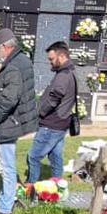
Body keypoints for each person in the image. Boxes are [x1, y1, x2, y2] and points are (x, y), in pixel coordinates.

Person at [0, 28, 37, 214]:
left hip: (8, 122)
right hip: (13, 120)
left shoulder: (13, 66)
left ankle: (5, 210)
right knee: (6, 164)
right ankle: (4, 199)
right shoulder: (20, 60)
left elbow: (9, 99)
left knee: (6, 166)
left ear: (5, 47)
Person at [26, 41, 76, 188]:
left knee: (33, 157)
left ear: (61, 56)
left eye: (51, 59)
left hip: (51, 124)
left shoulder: (63, 76)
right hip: (60, 123)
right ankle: (58, 188)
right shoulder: (69, 72)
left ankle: (30, 190)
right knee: (55, 156)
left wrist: (39, 112)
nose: (50, 63)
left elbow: (54, 98)